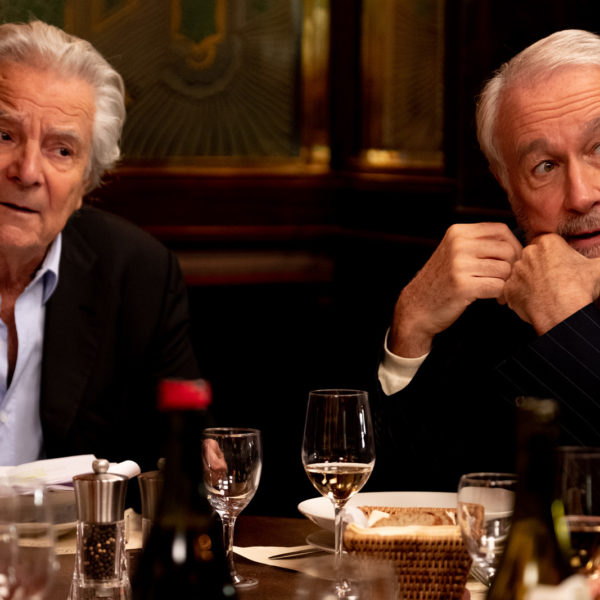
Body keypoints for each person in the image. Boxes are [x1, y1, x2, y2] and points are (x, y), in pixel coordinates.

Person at [373, 29, 600, 492]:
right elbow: (393, 509)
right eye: (545, 167)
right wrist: (411, 330)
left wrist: (569, 326)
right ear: (505, 183)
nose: (581, 195)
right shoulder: (491, 304)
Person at [0, 20, 200, 469]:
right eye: (4, 135)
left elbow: (184, 447)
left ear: (86, 183)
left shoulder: (138, 274)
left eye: (61, 150)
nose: (27, 172)